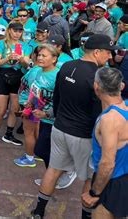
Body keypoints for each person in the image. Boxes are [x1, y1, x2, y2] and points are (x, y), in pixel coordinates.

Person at [31, 34, 117, 219]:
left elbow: (57, 99)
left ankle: (38, 212)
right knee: (89, 178)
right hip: (83, 135)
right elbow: (99, 111)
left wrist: (56, 117)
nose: (110, 57)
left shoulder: (67, 65)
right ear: (97, 52)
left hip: (60, 128)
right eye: (108, 53)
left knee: (53, 170)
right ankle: (85, 217)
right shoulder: (98, 75)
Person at [82, 67, 128, 219]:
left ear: (96, 86)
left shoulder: (109, 120)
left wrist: (94, 192)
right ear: (121, 86)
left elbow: (108, 163)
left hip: (113, 181)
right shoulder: (125, 109)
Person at [14, 44, 59, 168]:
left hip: (49, 117)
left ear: (54, 59)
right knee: (41, 145)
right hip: (36, 111)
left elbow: (60, 99)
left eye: (44, 56)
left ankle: (30, 158)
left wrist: (46, 113)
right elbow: (34, 92)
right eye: (39, 55)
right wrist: (28, 105)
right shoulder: (38, 71)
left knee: (30, 133)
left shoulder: (57, 76)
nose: (40, 58)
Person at [0, 22, 30, 146]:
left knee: (14, 109)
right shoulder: (1, 44)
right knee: (1, 110)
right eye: (15, 31)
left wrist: (22, 59)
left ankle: (8, 134)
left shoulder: (25, 46)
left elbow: (27, 64)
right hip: (2, 76)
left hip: (18, 76)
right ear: (9, 31)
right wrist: (8, 58)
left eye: (20, 31)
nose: (17, 33)